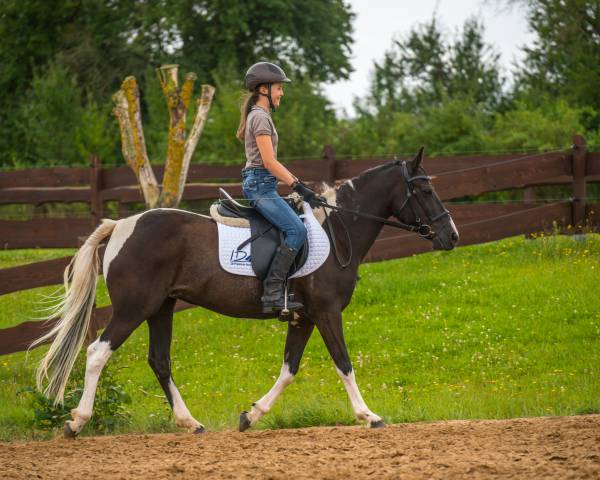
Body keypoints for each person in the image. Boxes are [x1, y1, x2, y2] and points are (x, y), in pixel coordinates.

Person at [236, 62, 321, 314]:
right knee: (296, 230)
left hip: (264, 184)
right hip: (260, 187)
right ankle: (272, 291)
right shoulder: (260, 117)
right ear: (264, 89)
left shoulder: (260, 116)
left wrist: (298, 185)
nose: (281, 93)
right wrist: (297, 185)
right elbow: (269, 162)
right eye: (279, 88)